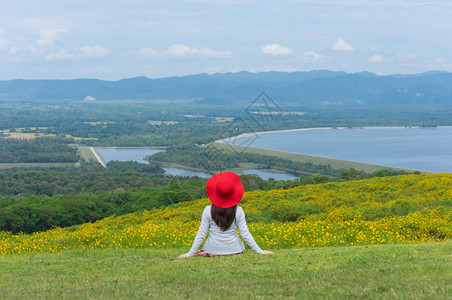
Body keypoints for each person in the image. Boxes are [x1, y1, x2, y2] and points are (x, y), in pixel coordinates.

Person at [179, 171, 273, 258]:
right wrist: (260, 251)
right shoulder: (239, 210)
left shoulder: (208, 210)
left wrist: (189, 254)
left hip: (212, 251)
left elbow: (201, 234)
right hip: (235, 250)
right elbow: (245, 234)